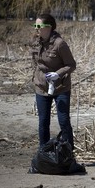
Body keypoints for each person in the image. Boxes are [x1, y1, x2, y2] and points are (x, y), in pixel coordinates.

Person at [30, 13, 76, 150]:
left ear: (49, 27)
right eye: (35, 26)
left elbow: (71, 65)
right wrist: (38, 78)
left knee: (64, 121)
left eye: (40, 26)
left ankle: (68, 152)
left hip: (61, 87)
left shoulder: (59, 44)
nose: (37, 29)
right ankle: (43, 153)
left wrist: (57, 74)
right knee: (43, 122)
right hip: (41, 87)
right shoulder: (35, 42)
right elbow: (35, 63)